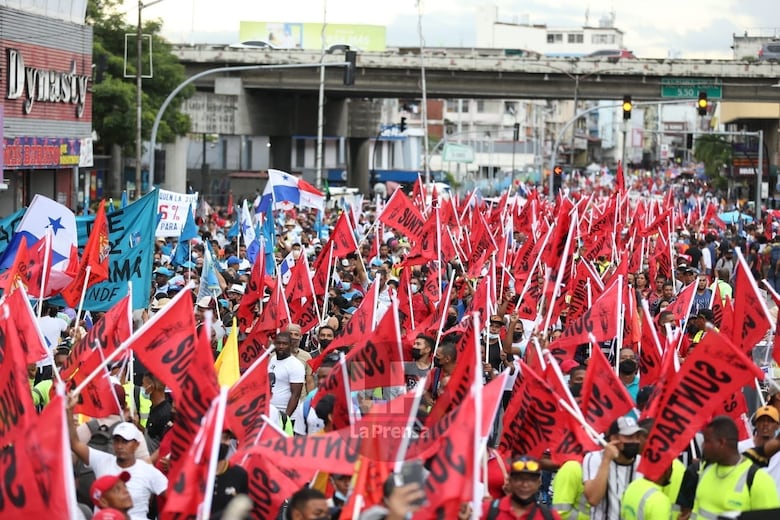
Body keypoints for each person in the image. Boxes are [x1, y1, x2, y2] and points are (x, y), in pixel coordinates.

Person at [68, 398, 168, 520]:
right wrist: (69, 411)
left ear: (136, 444)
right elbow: (75, 444)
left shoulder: (148, 471)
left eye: (125, 441)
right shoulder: (101, 461)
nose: (120, 446)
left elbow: (174, 499)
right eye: (117, 441)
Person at [692, 415, 780, 517]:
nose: (703, 445)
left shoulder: (759, 480)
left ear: (721, 443)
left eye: (707, 441)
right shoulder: (705, 471)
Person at [582, 417, 645, 520]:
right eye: (629, 437)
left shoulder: (642, 462)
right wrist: (606, 460)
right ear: (614, 439)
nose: (634, 441)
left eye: (637, 437)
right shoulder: (594, 458)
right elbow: (593, 499)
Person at [483, 455, 562, 519]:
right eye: (519, 479)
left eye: (531, 480)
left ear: (539, 483)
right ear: (510, 481)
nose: (525, 485)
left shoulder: (550, 516)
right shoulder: (488, 510)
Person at [211, 432, 250, 519]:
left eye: (227, 438)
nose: (226, 443)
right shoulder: (194, 470)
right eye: (221, 438)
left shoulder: (239, 475)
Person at [268, 331, 305, 420]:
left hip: (288, 416)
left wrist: (286, 418)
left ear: (290, 345)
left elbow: (295, 395)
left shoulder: (295, 365)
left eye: (285, 344)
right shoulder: (273, 359)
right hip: (271, 413)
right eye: (278, 343)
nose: (281, 346)